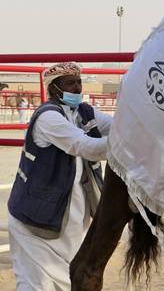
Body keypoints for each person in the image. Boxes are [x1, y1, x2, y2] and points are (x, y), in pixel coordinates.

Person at [7, 62, 111, 290]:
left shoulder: (84, 112)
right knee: (35, 285)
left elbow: (117, 127)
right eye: (69, 83)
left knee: (71, 279)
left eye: (79, 82)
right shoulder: (47, 117)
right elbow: (85, 146)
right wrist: (129, 144)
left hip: (72, 219)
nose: (76, 87)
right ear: (54, 89)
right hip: (36, 221)